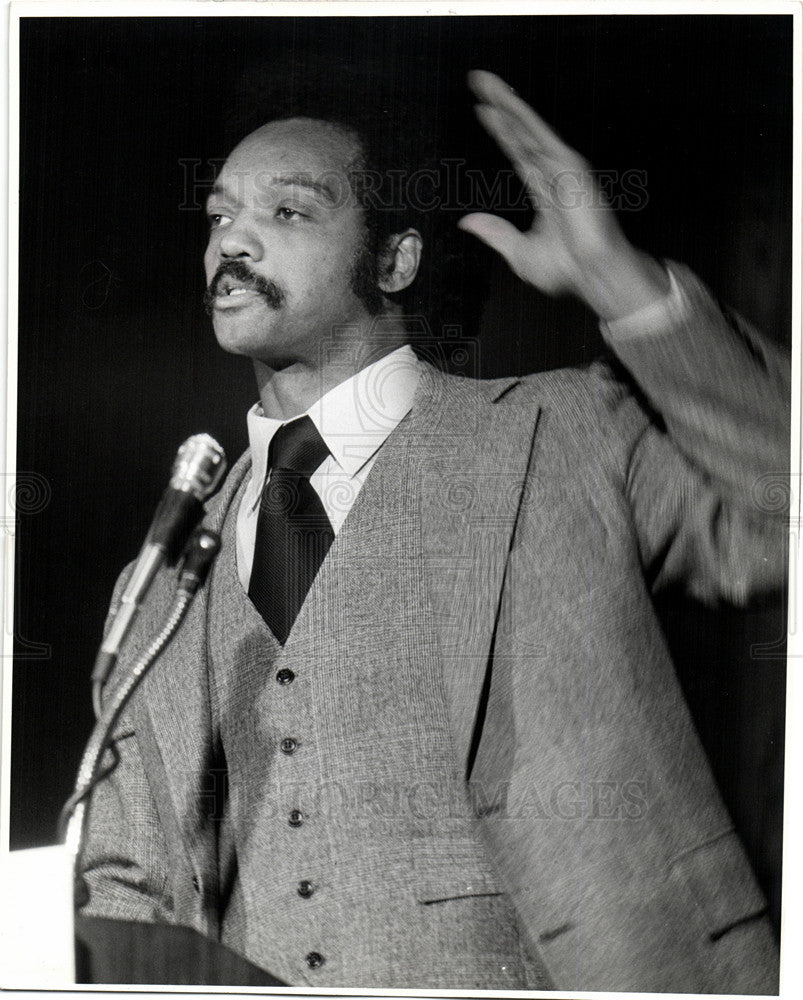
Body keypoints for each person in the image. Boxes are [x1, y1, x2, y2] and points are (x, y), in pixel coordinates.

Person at [77, 66, 787, 993]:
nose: (233, 240)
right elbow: (127, 885)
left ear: (394, 260)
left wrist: (625, 286)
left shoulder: (561, 432)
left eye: (288, 212)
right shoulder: (160, 576)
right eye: (218, 215)